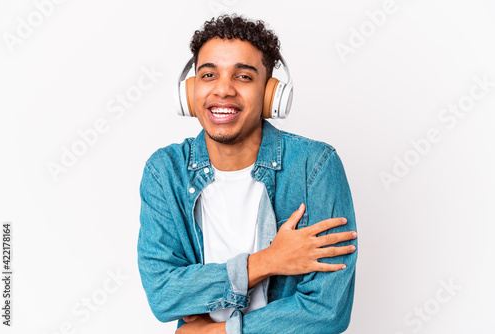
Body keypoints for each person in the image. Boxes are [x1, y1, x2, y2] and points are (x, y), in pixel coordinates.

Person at [138, 14, 358, 334]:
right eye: (209, 74)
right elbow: (163, 296)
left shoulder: (316, 166)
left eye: (243, 76)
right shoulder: (165, 172)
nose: (223, 89)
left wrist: (221, 331)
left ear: (271, 95)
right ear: (190, 91)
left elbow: (328, 311)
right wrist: (268, 261)